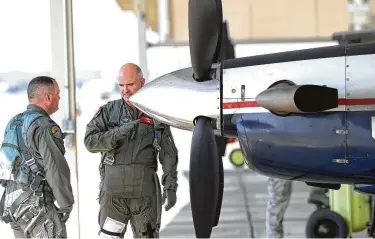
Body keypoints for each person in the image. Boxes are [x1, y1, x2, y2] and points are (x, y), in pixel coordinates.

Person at [84, 63, 178, 238]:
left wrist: (170, 186)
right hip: (114, 198)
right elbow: (90, 142)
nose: (125, 90)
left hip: (144, 197)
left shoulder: (156, 113)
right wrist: (120, 132)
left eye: (130, 84)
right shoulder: (109, 112)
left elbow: (168, 152)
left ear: (142, 82)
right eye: (121, 85)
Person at [0, 76, 75, 238]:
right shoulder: (44, 126)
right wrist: (66, 203)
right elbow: (54, 168)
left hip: (13, 204)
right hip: (37, 206)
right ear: (48, 97)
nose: (59, 98)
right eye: (58, 94)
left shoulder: (14, 122)